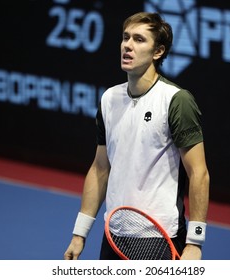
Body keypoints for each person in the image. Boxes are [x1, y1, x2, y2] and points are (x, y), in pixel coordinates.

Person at [64, 12, 209, 260]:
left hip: (159, 237)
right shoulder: (109, 98)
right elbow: (100, 169)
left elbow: (199, 173)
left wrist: (195, 242)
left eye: (139, 40)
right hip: (114, 235)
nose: (128, 45)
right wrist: (80, 234)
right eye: (125, 37)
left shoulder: (176, 100)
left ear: (158, 52)